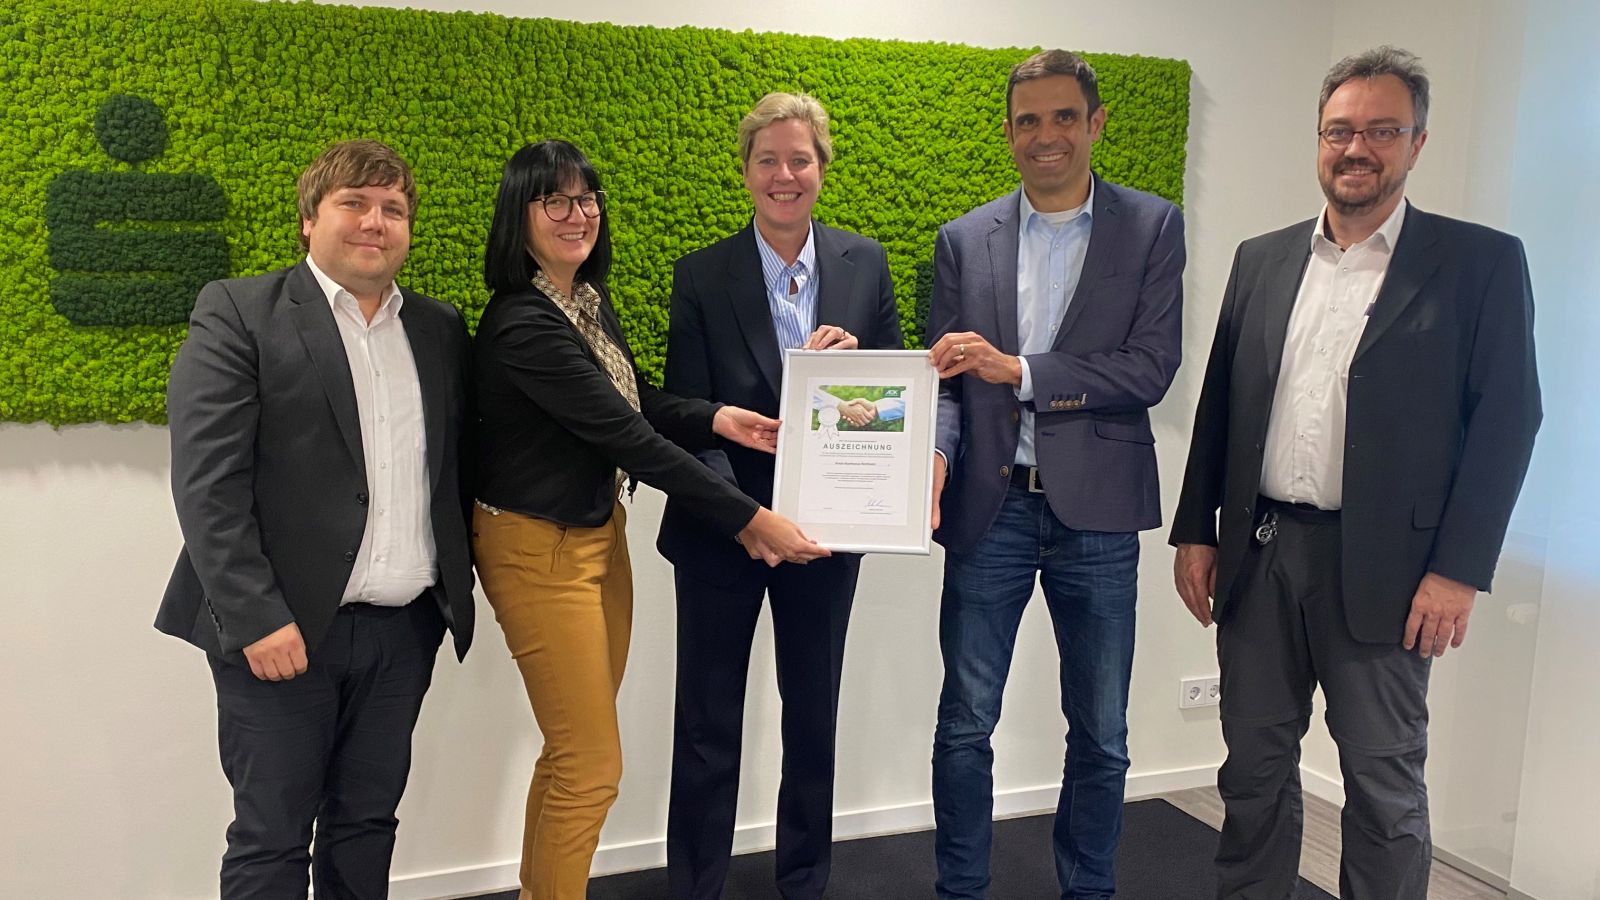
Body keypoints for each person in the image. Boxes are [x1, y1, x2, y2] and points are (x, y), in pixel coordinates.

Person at [1170, 46, 1541, 899]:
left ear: (1417, 143)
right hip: (1263, 554)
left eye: (1381, 131)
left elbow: (1509, 421)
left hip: (1391, 572)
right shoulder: (1263, 259)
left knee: (1382, 787)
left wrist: (1458, 571)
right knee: (1252, 772)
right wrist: (1197, 531)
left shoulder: (1478, 263)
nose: (1357, 148)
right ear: (1319, 140)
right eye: (1340, 131)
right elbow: (1222, 401)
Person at [471, 139, 826, 900]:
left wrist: (718, 417)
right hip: (538, 552)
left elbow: (636, 399)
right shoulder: (524, 324)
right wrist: (749, 519)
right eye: (555, 201)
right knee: (592, 766)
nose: (577, 215)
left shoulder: (584, 302)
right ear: (518, 216)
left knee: (570, 755)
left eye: (587, 199)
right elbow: (626, 437)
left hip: (598, 539)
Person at [157, 139, 476, 898]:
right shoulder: (240, 311)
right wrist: (256, 617)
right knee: (271, 839)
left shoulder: (438, 329)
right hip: (281, 634)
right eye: (353, 203)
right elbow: (209, 485)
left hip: (403, 631)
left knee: (366, 826)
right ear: (309, 219)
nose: (375, 222)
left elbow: (454, 469)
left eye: (393, 208)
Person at [923, 50, 1185, 899]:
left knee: (1102, 734)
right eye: (1029, 120)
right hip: (989, 510)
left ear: (1095, 123)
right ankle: (960, 889)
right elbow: (947, 384)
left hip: (1099, 516)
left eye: (1064, 116)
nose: (1047, 135)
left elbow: (1150, 368)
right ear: (1008, 133)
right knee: (965, 725)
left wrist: (1023, 372)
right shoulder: (964, 240)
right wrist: (933, 459)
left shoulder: (1152, 227)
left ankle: (1089, 889)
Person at [657, 91, 903, 900]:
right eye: (767, 160)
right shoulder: (701, 274)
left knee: (812, 720)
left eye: (800, 159)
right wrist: (745, 520)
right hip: (721, 529)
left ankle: (804, 882)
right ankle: (696, 886)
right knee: (705, 727)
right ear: (745, 171)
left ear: (822, 168)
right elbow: (685, 410)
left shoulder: (865, 264)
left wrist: (858, 366)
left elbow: (897, 399)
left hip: (827, 536)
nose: (784, 175)